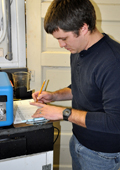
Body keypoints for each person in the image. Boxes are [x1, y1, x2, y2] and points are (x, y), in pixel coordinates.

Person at [30, 0, 120, 169]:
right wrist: (54, 95)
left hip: (101, 154)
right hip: (78, 139)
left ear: (83, 28)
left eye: (64, 38)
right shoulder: (78, 49)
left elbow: (116, 122)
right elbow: (81, 87)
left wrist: (63, 113)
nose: (61, 45)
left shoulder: (114, 62)